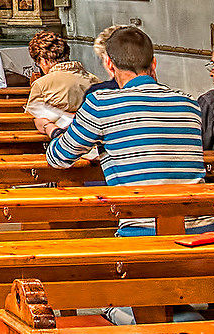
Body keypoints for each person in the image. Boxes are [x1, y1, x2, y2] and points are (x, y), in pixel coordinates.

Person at [39, 25, 205, 236]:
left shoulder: (102, 104)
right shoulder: (189, 103)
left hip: (141, 229)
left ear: (109, 64)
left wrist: (52, 130)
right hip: (204, 228)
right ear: (154, 63)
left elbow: (58, 157)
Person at [22, 29, 96, 119]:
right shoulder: (94, 79)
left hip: (57, 131)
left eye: (38, 63)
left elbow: (29, 118)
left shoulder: (42, 84)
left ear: (43, 60)